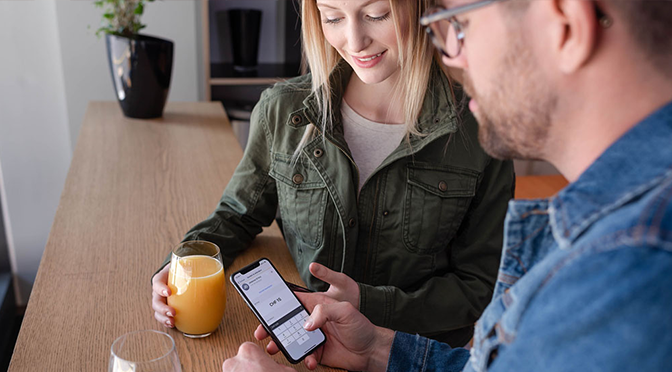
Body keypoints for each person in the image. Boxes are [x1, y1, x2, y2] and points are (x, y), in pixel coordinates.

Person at [222, 0, 672, 371]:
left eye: (458, 24)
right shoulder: (612, 235)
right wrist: (380, 349)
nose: (449, 55)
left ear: (566, 27)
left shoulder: (630, 272)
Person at [151, 0, 514, 346]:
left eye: (376, 14)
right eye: (333, 17)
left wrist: (366, 302)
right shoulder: (283, 110)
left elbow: (480, 286)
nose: (354, 40)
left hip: (413, 354)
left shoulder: (482, 130)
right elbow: (236, 215)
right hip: (306, 343)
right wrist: (179, 265)